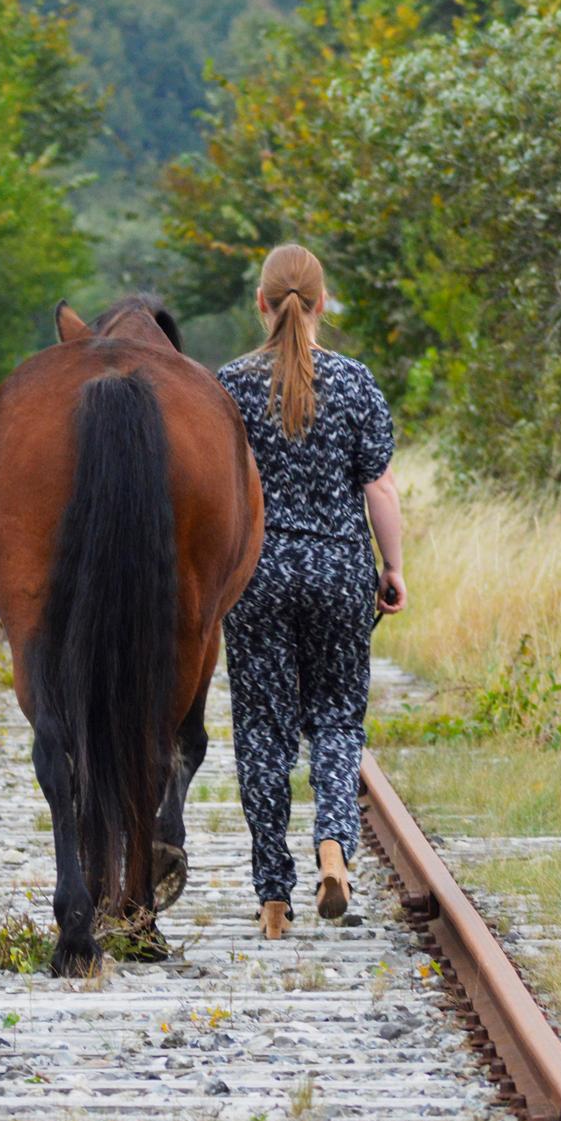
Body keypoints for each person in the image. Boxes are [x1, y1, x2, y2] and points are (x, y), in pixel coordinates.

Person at [216, 243, 406, 939]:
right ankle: (333, 848)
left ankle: (273, 897)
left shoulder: (229, 386)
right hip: (338, 572)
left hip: (257, 576)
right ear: (322, 303)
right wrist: (393, 567)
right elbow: (378, 485)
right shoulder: (355, 383)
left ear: (261, 304)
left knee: (262, 731)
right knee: (335, 718)